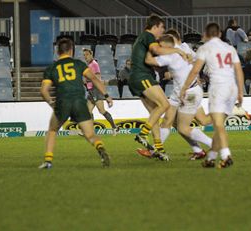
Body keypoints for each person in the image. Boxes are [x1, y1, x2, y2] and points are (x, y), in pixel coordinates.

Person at [39, 38, 113, 169]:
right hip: (79, 102)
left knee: (52, 130)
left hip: (63, 102)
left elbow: (44, 91)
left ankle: (48, 161)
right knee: (90, 134)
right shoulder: (79, 64)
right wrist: (106, 95)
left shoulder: (51, 68)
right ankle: (100, 149)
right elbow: (95, 79)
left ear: (57, 51)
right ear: (71, 50)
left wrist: (51, 102)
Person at [181, 22, 244, 169]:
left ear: (207, 34)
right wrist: (240, 91)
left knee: (218, 125)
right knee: (219, 126)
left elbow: (195, 70)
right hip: (232, 88)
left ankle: (226, 155)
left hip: (218, 89)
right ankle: (210, 158)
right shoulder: (229, 48)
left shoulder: (205, 48)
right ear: (220, 34)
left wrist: (184, 87)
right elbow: (239, 71)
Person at [143, 34, 212, 160]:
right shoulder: (182, 50)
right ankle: (157, 150)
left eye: (160, 45)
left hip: (190, 93)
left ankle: (214, 144)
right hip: (179, 92)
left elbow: (149, 61)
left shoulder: (173, 54)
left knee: (184, 127)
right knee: (170, 121)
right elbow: (195, 60)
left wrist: (147, 47)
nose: (159, 47)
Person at [128, 14, 187, 161]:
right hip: (142, 76)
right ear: (154, 26)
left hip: (137, 78)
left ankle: (158, 148)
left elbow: (151, 57)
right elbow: (157, 51)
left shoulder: (142, 38)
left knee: (154, 113)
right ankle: (142, 134)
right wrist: (177, 51)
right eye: (161, 27)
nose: (163, 31)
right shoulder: (148, 36)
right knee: (165, 104)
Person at [83, 48, 119, 135]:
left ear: (91, 55)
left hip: (95, 90)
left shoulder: (94, 65)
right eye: (84, 55)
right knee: (88, 111)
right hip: (91, 90)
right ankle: (89, 131)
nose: (85, 57)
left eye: (87, 55)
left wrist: (86, 80)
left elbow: (98, 79)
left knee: (102, 111)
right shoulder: (88, 65)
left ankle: (115, 127)